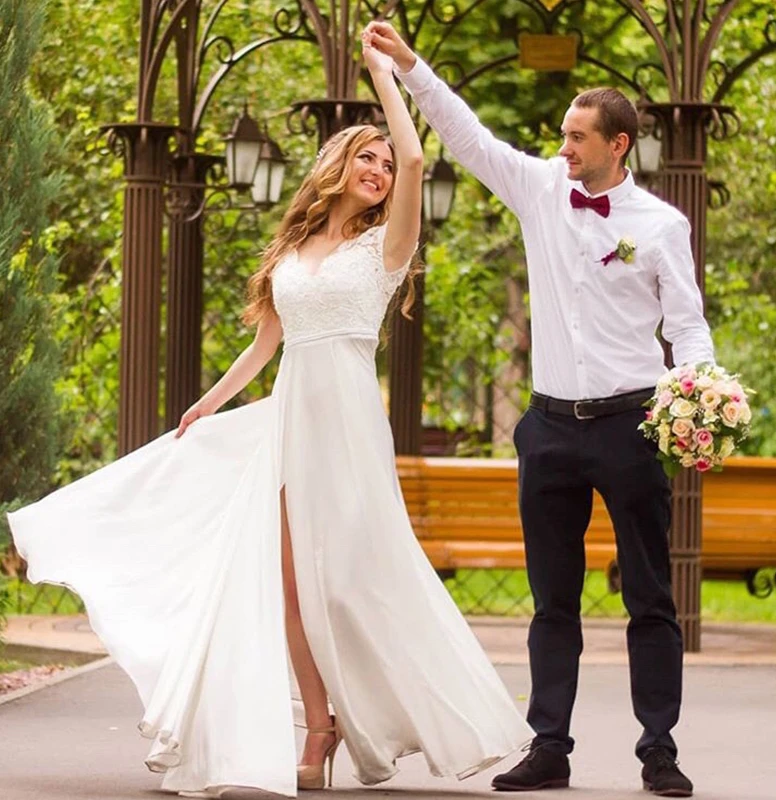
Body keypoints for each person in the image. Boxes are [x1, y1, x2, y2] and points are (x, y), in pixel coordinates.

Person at [7, 34, 531, 799]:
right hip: (289, 417)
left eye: (386, 164)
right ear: (338, 165)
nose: (381, 171)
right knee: (287, 584)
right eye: (367, 158)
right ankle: (318, 727)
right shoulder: (293, 247)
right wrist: (209, 402)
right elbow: (266, 344)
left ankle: (403, 714)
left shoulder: (389, 245)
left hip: (348, 422)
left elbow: (421, 162)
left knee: (352, 581)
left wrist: (387, 77)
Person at [364, 20, 715, 798]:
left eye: (577, 137)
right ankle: (548, 747)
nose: (563, 147)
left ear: (618, 145)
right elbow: (466, 133)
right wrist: (412, 67)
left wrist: (698, 395)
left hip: (631, 426)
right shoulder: (538, 189)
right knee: (552, 602)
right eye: (562, 135)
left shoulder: (660, 226)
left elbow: (687, 326)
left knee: (652, 598)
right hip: (550, 427)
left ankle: (660, 749)